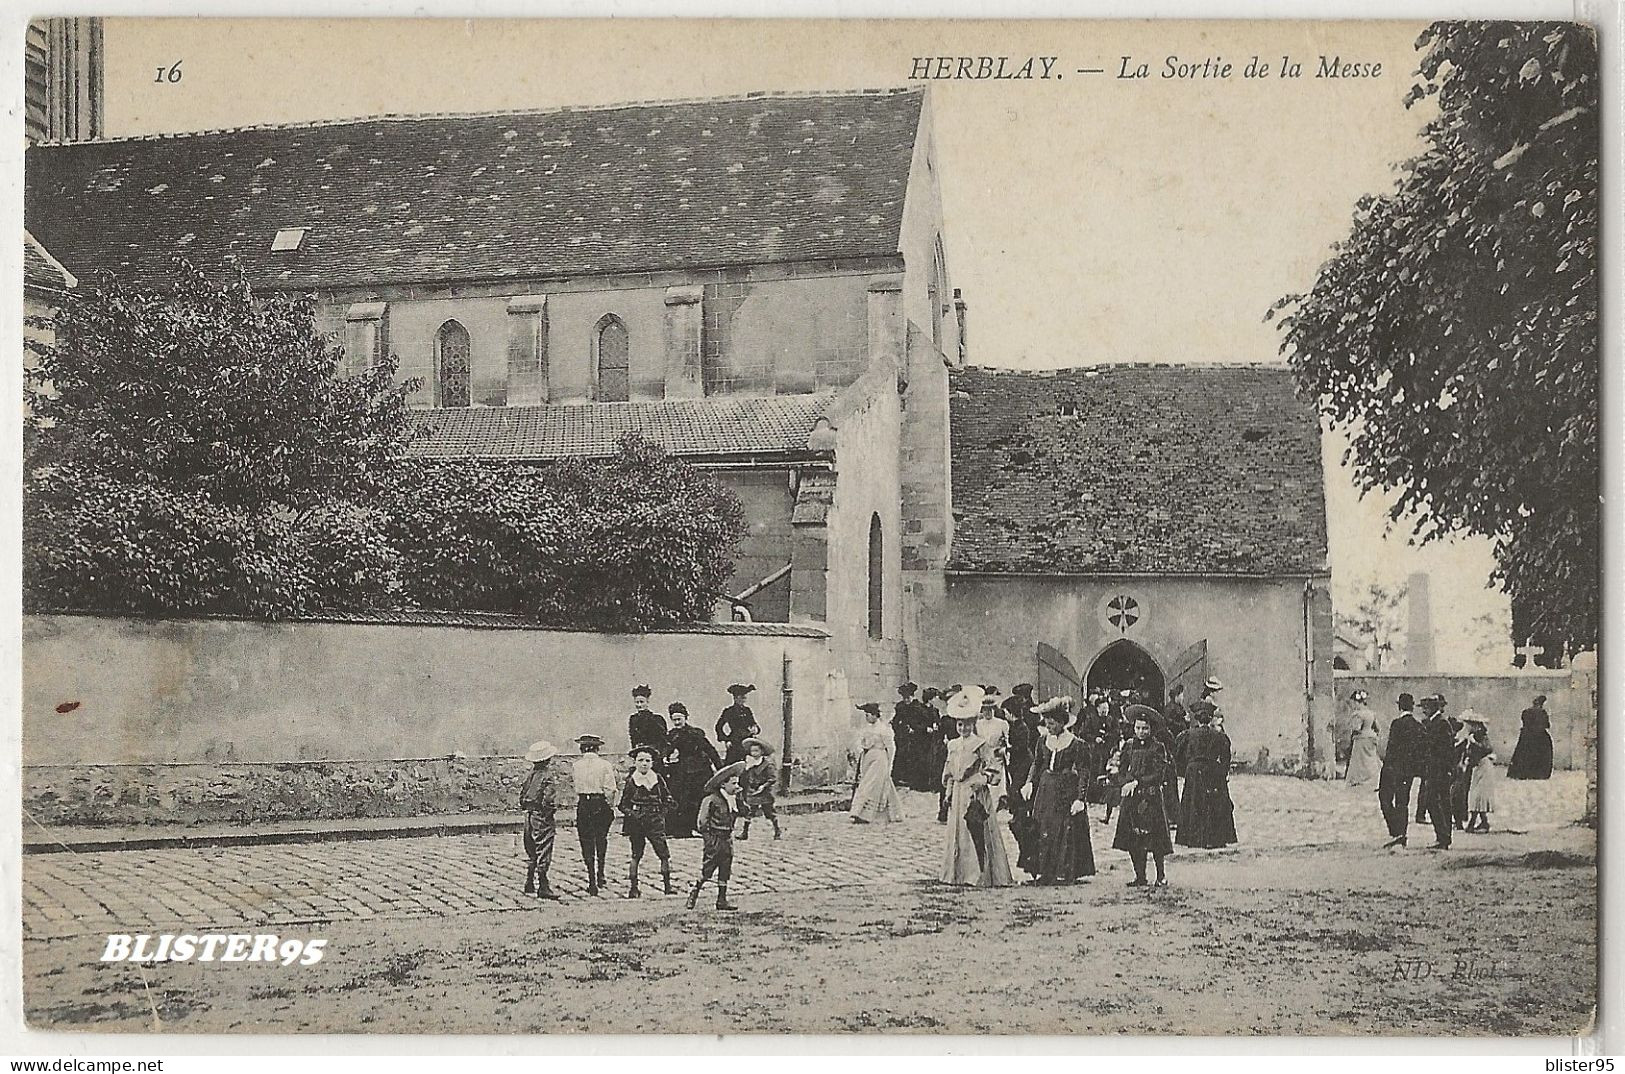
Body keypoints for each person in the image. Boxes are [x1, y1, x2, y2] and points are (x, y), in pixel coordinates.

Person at [939, 686, 1015, 887]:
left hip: (974, 793)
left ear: (973, 724)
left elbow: (993, 770)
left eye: (966, 725)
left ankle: (977, 873)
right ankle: (957, 873)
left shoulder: (980, 744)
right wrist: (948, 791)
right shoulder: (953, 745)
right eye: (960, 725)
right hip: (958, 792)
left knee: (975, 830)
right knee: (958, 831)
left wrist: (981, 781)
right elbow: (948, 770)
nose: (963, 729)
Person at [1022, 696, 1095, 883]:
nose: (1049, 727)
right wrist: (1029, 782)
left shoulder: (1076, 743)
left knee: (1063, 828)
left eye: (1053, 723)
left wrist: (1081, 798)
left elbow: (1084, 771)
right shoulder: (1042, 741)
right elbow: (1037, 764)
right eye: (1047, 723)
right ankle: (1044, 871)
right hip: (1046, 790)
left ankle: (1064, 871)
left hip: (1065, 789)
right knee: (1043, 827)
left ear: (1062, 722)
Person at [1113, 712, 1175, 887]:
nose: (1141, 732)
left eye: (1145, 728)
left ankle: (1161, 875)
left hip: (1150, 796)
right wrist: (1125, 782)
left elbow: (1159, 773)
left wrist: (1138, 782)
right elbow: (1121, 769)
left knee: (1155, 839)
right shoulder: (1129, 746)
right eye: (1138, 728)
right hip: (1131, 797)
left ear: (1151, 729)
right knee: (1132, 837)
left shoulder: (1157, 747)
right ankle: (1140, 875)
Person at [1176, 702, 1237, 848]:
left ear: (1196, 718)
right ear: (1210, 719)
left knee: (1193, 803)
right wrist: (1222, 772)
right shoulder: (1219, 736)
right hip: (1213, 771)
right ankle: (1213, 838)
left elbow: (1178, 754)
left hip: (1194, 772)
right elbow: (1226, 757)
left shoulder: (1187, 735)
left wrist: (1186, 769)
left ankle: (1192, 838)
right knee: (1213, 803)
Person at [617, 745, 676, 897]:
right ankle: (633, 888)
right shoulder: (632, 781)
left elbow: (667, 797)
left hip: (655, 820)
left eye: (648, 760)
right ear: (635, 762)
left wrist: (662, 813)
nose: (644, 763)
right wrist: (634, 815)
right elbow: (623, 805)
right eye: (640, 760)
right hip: (637, 821)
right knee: (636, 854)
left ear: (652, 762)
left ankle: (668, 886)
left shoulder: (657, 779)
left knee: (663, 854)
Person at [687, 761, 746, 911]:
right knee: (708, 869)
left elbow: (745, 812)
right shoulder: (711, 800)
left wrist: (740, 799)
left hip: (727, 838)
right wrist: (709, 839)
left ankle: (721, 900)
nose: (736, 786)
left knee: (725, 868)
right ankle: (694, 892)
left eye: (737, 783)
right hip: (715, 838)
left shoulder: (733, 800)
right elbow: (702, 822)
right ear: (723, 785)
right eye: (733, 783)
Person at [664, 702, 721, 838]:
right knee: (680, 798)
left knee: (696, 799)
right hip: (682, 770)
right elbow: (667, 749)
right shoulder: (672, 735)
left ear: (685, 718)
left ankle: (697, 827)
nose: (677, 722)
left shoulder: (695, 733)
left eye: (679, 719)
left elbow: (709, 749)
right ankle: (680, 829)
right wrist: (664, 757)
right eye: (674, 719)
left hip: (699, 770)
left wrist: (719, 767)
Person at [572, 733, 617, 895]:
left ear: (582, 749)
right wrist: (610, 807)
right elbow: (610, 789)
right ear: (597, 749)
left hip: (584, 804)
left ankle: (591, 879)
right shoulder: (605, 765)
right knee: (601, 838)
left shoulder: (576, 765)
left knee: (586, 840)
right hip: (600, 803)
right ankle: (600, 874)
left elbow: (576, 787)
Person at [1380, 693, 1425, 848]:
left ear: (1399, 706)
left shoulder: (1396, 724)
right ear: (1412, 706)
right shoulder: (1419, 726)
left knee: (1385, 798)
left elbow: (1391, 748)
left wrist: (1387, 767)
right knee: (1403, 801)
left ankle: (1396, 831)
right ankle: (1402, 833)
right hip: (1408, 771)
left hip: (1393, 768)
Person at [519, 740, 562, 900]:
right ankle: (543, 886)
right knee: (544, 848)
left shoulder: (530, 775)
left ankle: (529, 882)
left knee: (531, 849)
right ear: (548, 759)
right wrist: (548, 814)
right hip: (541, 817)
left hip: (528, 816)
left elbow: (522, 797)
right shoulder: (548, 776)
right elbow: (548, 800)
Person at [1003, 683, 1040, 868]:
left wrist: (1008, 748)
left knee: (1018, 789)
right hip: (1020, 762)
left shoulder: (1023, 726)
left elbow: (1022, 746)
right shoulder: (1017, 725)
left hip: (1025, 762)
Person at [850, 703, 905, 824]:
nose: (867, 717)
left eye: (868, 715)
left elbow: (891, 748)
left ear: (875, 715)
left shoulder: (884, 730)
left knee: (870, 785)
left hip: (880, 760)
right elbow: (861, 743)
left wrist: (889, 765)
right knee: (881, 786)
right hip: (868, 759)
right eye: (866, 715)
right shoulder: (867, 728)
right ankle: (890, 813)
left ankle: (864, 814)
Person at [1420, 698, 1456, 849]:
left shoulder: (1441, 723)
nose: (1423, 711)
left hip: (1439, 770)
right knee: (1441, 802)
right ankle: (1443, 837)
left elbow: (1446, 748)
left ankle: (1443, 836)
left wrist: (1447, 769)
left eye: (1425, 708)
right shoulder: (1433, 722)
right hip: (1435, 769)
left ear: (1432, 708)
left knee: (1434, 802)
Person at [738, 737, 782, 840]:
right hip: (753, 791)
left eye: (756, 751)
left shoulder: (767, 764)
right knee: (749, 812)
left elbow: (772, 779)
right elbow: (746, 776)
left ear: (762, 752)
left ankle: (777, 830)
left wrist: (763, 786)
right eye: (752, 751)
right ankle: (744, 833)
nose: (754, 753)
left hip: (764, 792)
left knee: (769, 812)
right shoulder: (750, 763)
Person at [1461, 713, 1497, 833]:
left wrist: (1473, 743)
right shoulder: (1472, 736)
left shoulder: (1481, 736)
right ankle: (1484, 822)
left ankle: (1472, 823)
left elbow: (1487, 749)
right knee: (1477, 794)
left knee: (1478, 794)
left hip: (1484, 766)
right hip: (1477, 767)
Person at [891, 682, 931, 791]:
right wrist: (900, 729)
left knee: (916, 758)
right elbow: (895, 721)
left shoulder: (919, 708)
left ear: (912, 696)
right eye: (904, 698)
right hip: (903, 737)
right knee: (901, 755)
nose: (906, 700)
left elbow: (925, 723)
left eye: (908, 697)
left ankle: (915, 781)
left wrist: (916, 729)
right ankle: (900, 778)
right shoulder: (900, 707)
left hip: (917, 737)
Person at [1508, 694, 1555, 780]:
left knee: (1524, 753)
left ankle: (1522, 773)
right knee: (1542, 751)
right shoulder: (1542, 713)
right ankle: (1538, 773)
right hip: (1539, 736)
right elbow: (1547, 725)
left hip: (1527, 735)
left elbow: (1524, 722)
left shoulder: (1526, 712)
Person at [716, 684, 761, 766]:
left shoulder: (747, 710)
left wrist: (755, 728)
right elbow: (718, 727)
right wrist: (726, 740)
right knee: (732, 765)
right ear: (735, 698)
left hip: (748, 741)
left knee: (749, 766)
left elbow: (753, 723)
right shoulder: (729, 711)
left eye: (745, 698)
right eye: (742, 698)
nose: (744, 700)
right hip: (735, 742)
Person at [1345, 690, 1382, 789]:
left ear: (1357, 702)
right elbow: (1378, 728)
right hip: (1371, 737)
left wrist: (1352, 727)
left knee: (1359, 760)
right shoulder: (1371, 713)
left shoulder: (1358, 714)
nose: (1353, 705)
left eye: (1354, 703)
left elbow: (1357, 727)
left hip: (1361, 739)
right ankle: (1373, 778)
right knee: (1371, 759)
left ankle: (1360, 779)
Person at [627, 685, 668, 771]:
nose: (639, 705)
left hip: (654, 758)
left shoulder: (657, 719)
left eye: (642, 702)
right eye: (636, 702)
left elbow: (663, 740)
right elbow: (633, 739)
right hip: (640, 756)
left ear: (647, 701)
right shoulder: (633, 719)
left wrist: (660, 756)